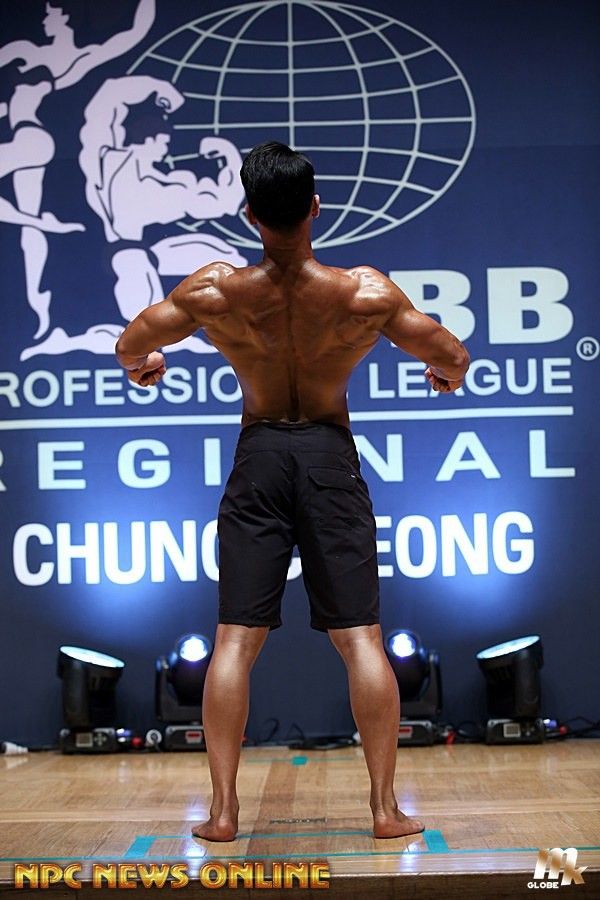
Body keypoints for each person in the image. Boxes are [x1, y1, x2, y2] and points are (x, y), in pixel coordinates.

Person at [115, 141, 470, 842]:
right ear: (315, 207)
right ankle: (384, 810)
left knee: (234, 641)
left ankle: (223, 813)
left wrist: (146, 363)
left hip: (260, 457)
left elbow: (131, 345)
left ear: (249, 214)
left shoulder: (216, 291)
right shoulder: (362, 292)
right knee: (361, 639)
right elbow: (452, 355)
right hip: (329, 457)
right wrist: (445, 376)